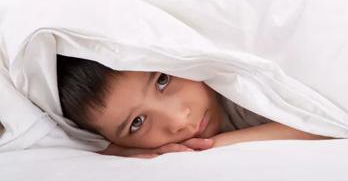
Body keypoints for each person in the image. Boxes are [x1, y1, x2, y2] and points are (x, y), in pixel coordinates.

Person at [56, 55, 333, 159]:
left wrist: (216, 145)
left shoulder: (245, 86)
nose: (179, 119)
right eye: (137, 123)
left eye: (163, 80)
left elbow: (323, 124)